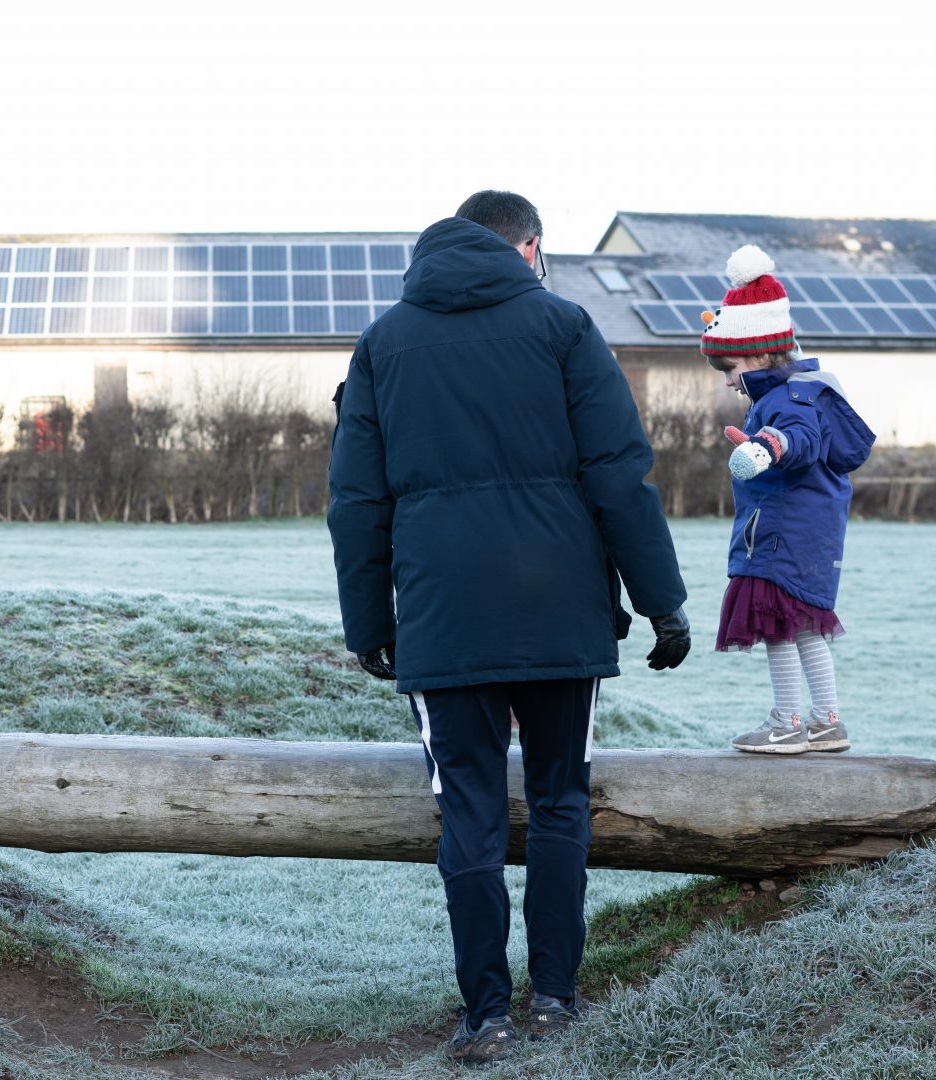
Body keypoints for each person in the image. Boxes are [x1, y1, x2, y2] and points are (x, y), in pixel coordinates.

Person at [327, 191, 691, 1065]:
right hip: (558, 609)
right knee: (562, 803)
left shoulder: (383, 344)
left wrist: (370, 624)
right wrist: (661, 600)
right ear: (530, 247)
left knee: (469, 814)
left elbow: (356, 500)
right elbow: (617, 475)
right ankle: (556, 998)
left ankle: (483, 1013)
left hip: (444, 618)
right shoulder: (565, 327)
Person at [700, 245, 876, 754]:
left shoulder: (789, 399)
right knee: (803, 629)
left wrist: (765, 448)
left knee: (778, 628)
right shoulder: (802, 390)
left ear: (755, 352)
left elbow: (798, 440)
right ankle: (826, 722)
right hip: (808, 537)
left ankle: (786, 723)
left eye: (729, 368)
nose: (730, 380)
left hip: (780, 537)